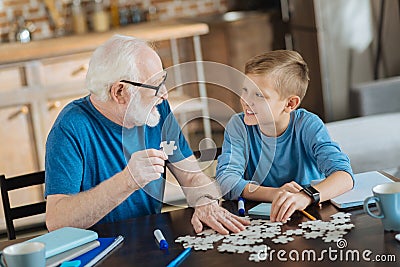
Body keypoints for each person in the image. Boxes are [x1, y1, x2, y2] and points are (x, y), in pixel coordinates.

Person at [45, 34, 249, 235]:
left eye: (164, 80)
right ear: (119, 92)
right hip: (98, 250)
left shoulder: (155, 110)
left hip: (150, 239)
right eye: (156, 85)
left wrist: (205, 202)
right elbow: (57, 222)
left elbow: (191, 176)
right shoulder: (70, 127)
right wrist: (127, 181)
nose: (165, 94)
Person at [216, 50, 354, 223]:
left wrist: (305, 196)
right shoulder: (238, 126)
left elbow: (344, 177)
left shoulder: (308, 125)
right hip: (261, 219)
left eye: (259, 95)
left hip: (310, 215)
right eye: (245, 90)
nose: (246, 100)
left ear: (290, 103)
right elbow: (225, 181)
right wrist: (277, 193)